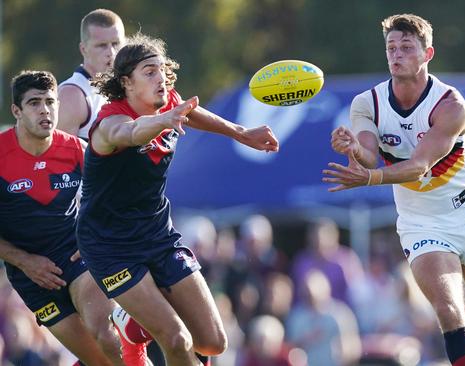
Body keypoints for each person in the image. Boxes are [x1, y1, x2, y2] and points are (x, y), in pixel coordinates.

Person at [76, 33, 279, 366]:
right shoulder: (110, 122)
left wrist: (241, 132)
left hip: (157, 235)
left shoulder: (168, 102)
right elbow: (130, 133)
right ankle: (136, 326)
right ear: (126, 82)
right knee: (176, 339)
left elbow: (194, 114)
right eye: (149, 72)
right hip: (109, 246)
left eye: (161, 70)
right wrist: (163, 120)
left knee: (214, 343)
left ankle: (131, 324)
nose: (161, 79)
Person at [322, 13, 465, 366]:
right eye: (391, 47)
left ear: (428, 54)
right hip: (420, 222)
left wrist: (369, 178)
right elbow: (369, 153)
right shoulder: (367, 103)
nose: (396, 54)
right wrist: (351, 149)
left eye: (407, 47)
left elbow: (420, 166)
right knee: (448, 311)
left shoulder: (451, 106)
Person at [0, 70, 138, 365]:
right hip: (28, 275)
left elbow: (117, 198)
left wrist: (96, 239)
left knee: (109, 339)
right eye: (34, 103)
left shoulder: (77, 150)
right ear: (16, 111)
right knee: (98, 361)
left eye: (50, 102)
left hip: (77, 257)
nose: (44, 110)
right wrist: (25, 261)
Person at [58, 8, 125, 140]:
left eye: (116, 44)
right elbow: (61, 156)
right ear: (84, 49)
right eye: (102, 45)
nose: (111, 52)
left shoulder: (125, 87)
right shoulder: (72, 94)